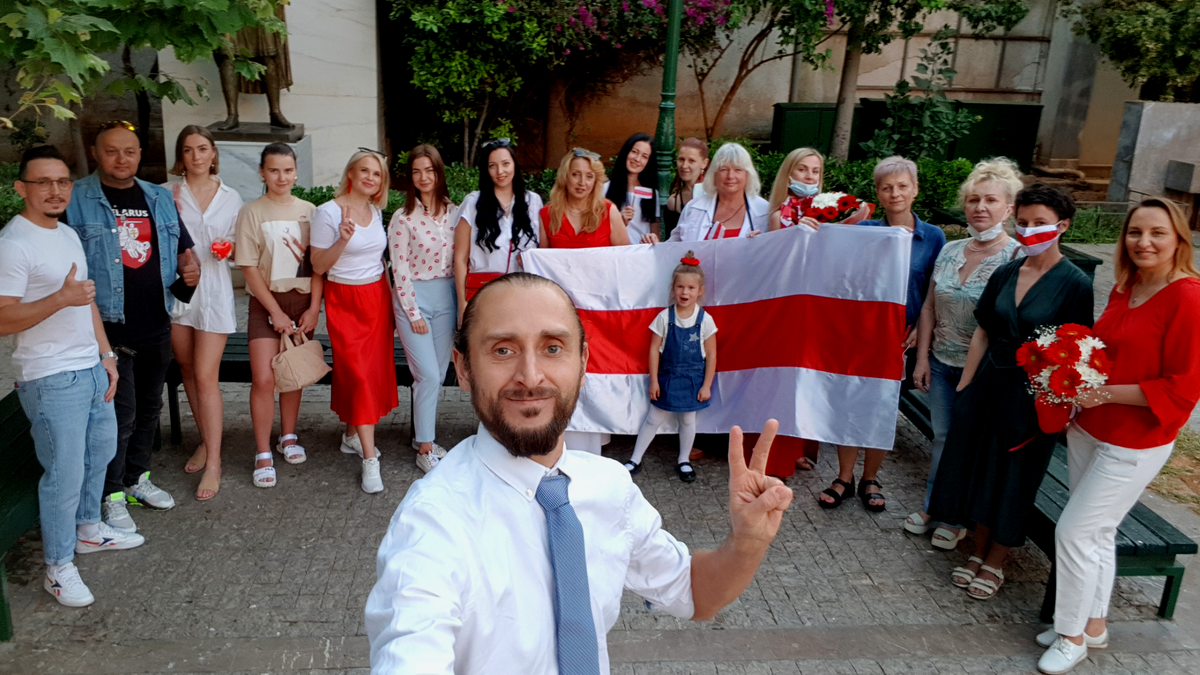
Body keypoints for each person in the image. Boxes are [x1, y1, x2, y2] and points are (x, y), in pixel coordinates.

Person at [365, 272, 794, 673]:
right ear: (462, 368)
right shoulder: (432, 523)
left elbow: (694, 592)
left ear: (583, 361)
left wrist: (746, 544)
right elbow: (409, 645)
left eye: (553, 348)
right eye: (503, 350)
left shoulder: (609, 486)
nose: (530, 377)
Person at [1036, 199, 1200, 674]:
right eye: (1135, 232)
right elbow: (1102, 352)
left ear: (1179, 240)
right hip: (1090, 428)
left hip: (1136, 440)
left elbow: (1183, 387)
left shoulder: (1188, 297)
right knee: (1100, 532)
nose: (1144, 242)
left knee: (1074, 530)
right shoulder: (1126, 287)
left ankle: (1069, 638)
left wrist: (1102, 393)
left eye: (1157, 233)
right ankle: (1092, 624)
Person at [928, 184, 1094, 601]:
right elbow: (984, 328)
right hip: (988, 382)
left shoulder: (1074, 283)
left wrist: (1058, 404)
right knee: (982, 468)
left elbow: (1077, 350)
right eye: (1023, 223)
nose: (1029, 231)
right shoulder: (1006, 271)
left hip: (1034, 394)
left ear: (1063, 226)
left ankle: (997, 560)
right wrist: (966, 385)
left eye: (1040, 223)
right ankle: (977, 549)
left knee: (1015, 475)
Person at [0, 146, 144, 608]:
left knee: (99, 453)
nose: (55, 190)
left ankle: (88, 530)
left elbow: (85, 300)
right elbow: (3, 320)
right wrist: (59, 300)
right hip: (48, 376)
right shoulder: (13, 243)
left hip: (89, 365)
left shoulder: (65, 233)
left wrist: (105, 355)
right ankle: (58, 567)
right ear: (22, 188)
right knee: (62, 473)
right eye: (43, 182)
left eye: (62, 181)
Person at [65, 121, 200, 532]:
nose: (121, 159)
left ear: (140, 155)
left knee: (149, 408)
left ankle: (136, 478)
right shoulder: (77, 200)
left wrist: (189, 271)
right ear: (94, 152)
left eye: (129, 151)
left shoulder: (158, 196)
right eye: (111, 151)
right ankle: (111, 494)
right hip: (106, 329)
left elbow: (182, 250)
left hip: (155, 322)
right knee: (116, 417)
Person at [817, 156, 945, 512]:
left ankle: (870, 477)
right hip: (862, 334)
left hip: (901, 338)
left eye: (903, 186)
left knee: (882, 409)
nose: (895, 193)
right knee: (850, 403)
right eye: (887, 187)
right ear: (878, 192)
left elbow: (935, 291)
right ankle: (844, 476)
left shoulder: (933, 236)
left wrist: (921, 329)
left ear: (915, 189)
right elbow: (832, 256)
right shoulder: (866, 230)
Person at [906, 158, 1022, 547]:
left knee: (969, 442)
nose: (980, 207)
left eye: (991, 199)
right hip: (940, 362)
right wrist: (922, 358)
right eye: (973, 199)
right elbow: (927, 308)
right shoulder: (951, 248)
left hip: (985, 372)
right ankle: (934, 505)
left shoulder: (1016, 257)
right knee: (942, 438)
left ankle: (957, 518)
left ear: (1009, 208)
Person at [233, 143, 323, 489]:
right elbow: (249, 267)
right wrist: (274, 311)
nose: (281, 177)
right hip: (266, 302)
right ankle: (262, 452)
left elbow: (318, 266)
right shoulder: (252, 212)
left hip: (302, 302)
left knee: (292, 375)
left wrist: (315, 308)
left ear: (296, 172)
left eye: (287, 170)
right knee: (264, 378)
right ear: (262, 173)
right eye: (273, 170)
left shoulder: (311, 212)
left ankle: (288, 436)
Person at [165, 125, 243, 501]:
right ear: (180, 156)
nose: (196, 156)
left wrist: (226, 248)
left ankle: (214, 462)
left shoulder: (231, 196)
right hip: (178, 293)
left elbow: (238, 244)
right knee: (187, 371)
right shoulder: (167, 194)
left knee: (205, 374)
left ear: (213, 154)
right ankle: (204, 439)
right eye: (188, 150)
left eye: (202, 148)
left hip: (213, 290)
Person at [311, 150, 397, 493]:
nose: (370, 178)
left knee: (369, 373)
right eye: (364, 170)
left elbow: (380, 259)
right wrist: (342, 239)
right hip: (345, 300)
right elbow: (318, 265)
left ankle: (351, 435)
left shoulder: (376, 211)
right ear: (350, 173)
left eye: (376, 174)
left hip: (377, 299)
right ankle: (369, 459)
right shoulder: (328, 212)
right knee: (358, 375)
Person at [390, 144, 457, 474]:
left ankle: (423, 437)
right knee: (427, 374)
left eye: (429, 170)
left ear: (438, 172)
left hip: (447, 298)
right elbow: (398, 268)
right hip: (414, 297)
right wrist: (412, 312)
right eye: (416, 171)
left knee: (438, 375)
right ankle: (426, 450)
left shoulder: (455, 212)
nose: (423, 177)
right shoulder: (403, 217)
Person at [623, 253, 717, 483]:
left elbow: (712, 353)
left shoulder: (705, 320)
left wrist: (707, 384)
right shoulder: (664, 318)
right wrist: (654, 381)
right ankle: (635, 459)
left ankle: (683, 459)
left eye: (691, 288)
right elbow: (654, 350)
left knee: (687, 420)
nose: (685, 293)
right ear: (673, 288)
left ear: (700, 290)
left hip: (693, 379)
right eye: (680, 287)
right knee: (654, 418)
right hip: (668, 377)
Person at [453, 138, 542, 322]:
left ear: (514, 165)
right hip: (483, 292)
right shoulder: (473, 203)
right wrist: (462, 303)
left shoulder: (532, 201)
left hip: (522, 292)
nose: (500, 171)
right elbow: (460, 258)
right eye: (492, 165)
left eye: (505, 164)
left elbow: (542, 251)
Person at [669, 142, 769, 242]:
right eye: (724, 170)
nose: (730, 176)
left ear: (748, 175)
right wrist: (654, 244)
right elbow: (673, 247)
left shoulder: (765, 211)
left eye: (738, 170)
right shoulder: (694, 208)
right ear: (714, 174)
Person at [538, 148, 631, 249]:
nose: (582, 182)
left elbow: (625, 256)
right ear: (564, 176)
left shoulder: (609, 211)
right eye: (575, 175)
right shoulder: (547, 214)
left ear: (595, 181)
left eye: (589, 176)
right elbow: (541, 260)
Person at [603, 132, 661, 243]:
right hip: (615, 252)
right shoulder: (605, 189)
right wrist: (619, 222)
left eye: (644, 156)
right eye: (634, 152)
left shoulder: (651, 194)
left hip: (641, 253)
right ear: (626, 152)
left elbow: (655, 233)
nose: (637, 159)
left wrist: (652, 240)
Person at [663, 137, 708, 237]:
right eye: (681, 159)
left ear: (704, 163)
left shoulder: (714, 194)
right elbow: (670, 241)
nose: (684, 165)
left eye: (691, 161)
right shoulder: (674, 201)